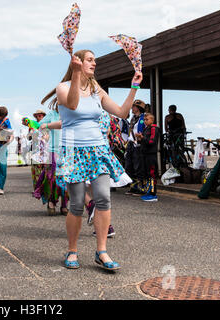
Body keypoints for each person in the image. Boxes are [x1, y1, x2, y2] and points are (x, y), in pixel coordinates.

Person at [41, 49, 142, 271]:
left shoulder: (97, 89)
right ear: (77, 63)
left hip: (98, 150)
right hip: (73, 149)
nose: (94, 63)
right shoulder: (64, 87)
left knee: (103, 198)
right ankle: (72, 250)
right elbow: (73, 104)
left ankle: (102, 251)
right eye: (89, 59)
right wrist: (76, 75)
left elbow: (122, 113)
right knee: (76, 203)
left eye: (94, 60)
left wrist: (133, 87)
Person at [136, 113, 160, 202]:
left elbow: (152, 141)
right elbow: (144, 142)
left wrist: (142, 138)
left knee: (152, 174)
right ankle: (148, 191)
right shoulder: (146, 129)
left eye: (147, 119)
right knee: (146, 174)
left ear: (152, 120)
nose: (145, 121)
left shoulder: (154, 129)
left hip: (151, 155)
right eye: (144, 120)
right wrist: (139, 138)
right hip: (145, 154)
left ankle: (153, 194)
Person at [124, 100, 146, 195]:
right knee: (129, 166)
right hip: (130, 144)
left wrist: (140, 139)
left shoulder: (144, 118)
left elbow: (146, 130)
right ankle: (133, 187)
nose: (132, 108)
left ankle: (141, 188)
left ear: (138, 108)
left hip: (138, 145)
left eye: (134, 106)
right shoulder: (133, 118)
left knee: (138, 167)